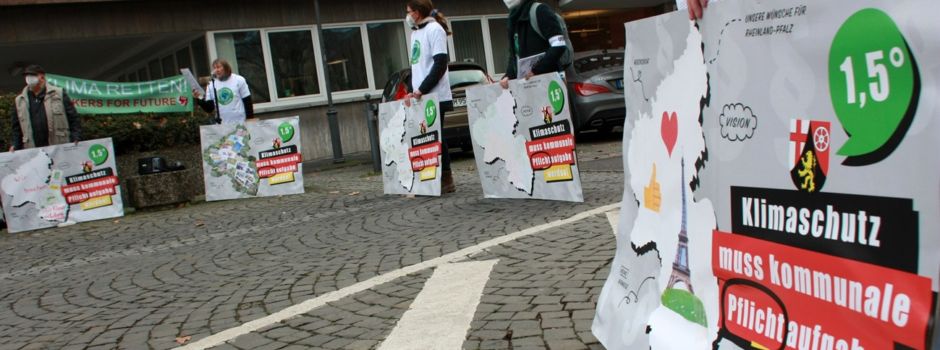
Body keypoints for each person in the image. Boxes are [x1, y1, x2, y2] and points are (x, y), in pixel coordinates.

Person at [404, 0, 456, 193]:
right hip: (421, 96)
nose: (407, 15)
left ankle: (446, 178)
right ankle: (431, 176)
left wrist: (423, 88)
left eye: (409, 11)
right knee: (427, 137)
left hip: (435, 95)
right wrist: (412, 88)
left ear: (417, 12)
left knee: (437, 136)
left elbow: (440, 64)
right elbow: (416, 65)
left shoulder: (435, 30)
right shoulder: (416, 32)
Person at [10, 64, 82, 151]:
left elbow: (73, 118)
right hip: (33, 150)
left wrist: (76, 137)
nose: (28, 78)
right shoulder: (19, 101)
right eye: (27, 76)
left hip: (59, 147)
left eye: (32, 75)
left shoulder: (58, 94)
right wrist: (15, 145)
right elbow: (16, 129)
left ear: (42, 77)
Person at [499, 0, 569, 89]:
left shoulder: (540, 10)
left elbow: (559, 44)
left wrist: (536, 71)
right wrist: (508, 76)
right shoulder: (513, 19)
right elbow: (514, 55)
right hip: (527, 86)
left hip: (549, 83)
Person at [193, 59, 253, 124]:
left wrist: (250, 119)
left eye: (218, 67)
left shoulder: (238, 80)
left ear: (226, 68)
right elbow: (209, 108)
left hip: (240, 122)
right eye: (214, 68)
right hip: (222, 125)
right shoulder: (211, 85)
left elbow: (247, 101)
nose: (216, 70)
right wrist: (199, 97)